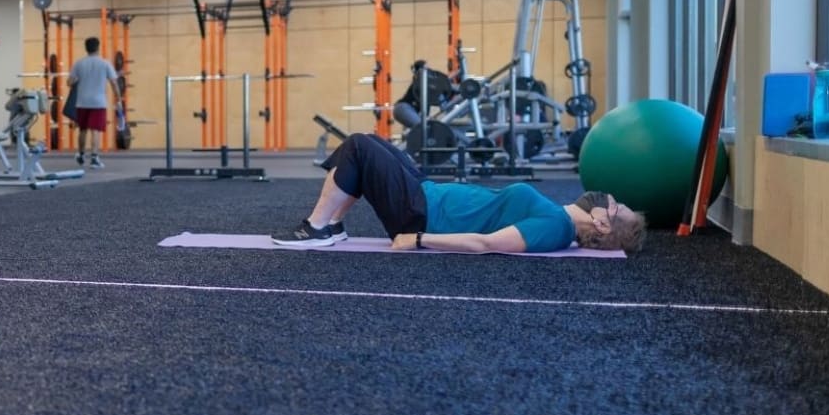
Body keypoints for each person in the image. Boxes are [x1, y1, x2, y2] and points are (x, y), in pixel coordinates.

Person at [272, 133, 646, 253]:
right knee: (371, 140)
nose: (608, 197)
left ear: (601, 224)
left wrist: (418, 239)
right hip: (427, 192)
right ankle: (333, 225)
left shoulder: (553, 228)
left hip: (420, 213)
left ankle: (316, 228)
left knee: (358, 147)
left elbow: (485, 243)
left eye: (615, 206)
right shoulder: (559, 217)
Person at [67, 37, 120, 168]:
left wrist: (78, 80)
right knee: (95, 130)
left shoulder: (79, 64)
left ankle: (80, 154)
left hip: (82, 102)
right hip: (98, 102)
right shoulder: (105, 63)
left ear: (86, 48)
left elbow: (69, 82)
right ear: (98, 47)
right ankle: (94, 158)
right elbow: (114, 82)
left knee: (82, 130)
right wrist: (118, 98)